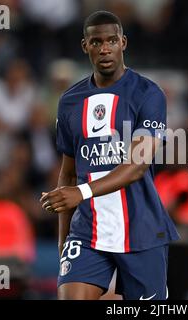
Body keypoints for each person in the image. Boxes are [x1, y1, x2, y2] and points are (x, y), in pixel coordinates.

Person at [39, 11, 180, 300]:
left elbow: (138, 165)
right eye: (96, 42)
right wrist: (63, 242)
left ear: (123, 43)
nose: (104, 48)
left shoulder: (148, 94)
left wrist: (82, 192)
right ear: (85, 46)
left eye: (111, 40)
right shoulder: (69, 102)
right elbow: (67, 174)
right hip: (88, 232)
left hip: (141, 231)